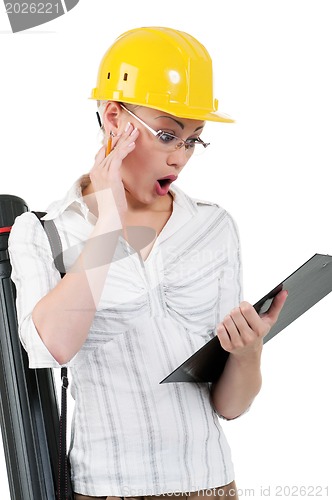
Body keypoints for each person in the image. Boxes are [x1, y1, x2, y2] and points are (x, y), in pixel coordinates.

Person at [8, 26, 287, 500]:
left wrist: (248, 352)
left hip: (213, 486)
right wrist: (108, 223)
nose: (180, 158)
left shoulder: (213, 228)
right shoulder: (45, 232)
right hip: (108, 489)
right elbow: (50, 348)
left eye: (194, 140)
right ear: (114, 117)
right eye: (167, 135)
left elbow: (229, 406)